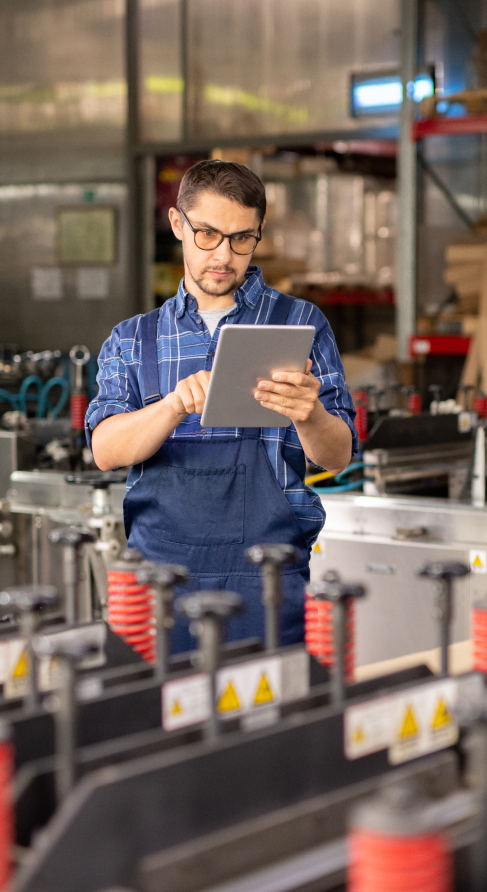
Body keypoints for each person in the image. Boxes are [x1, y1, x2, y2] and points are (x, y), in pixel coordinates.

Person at [86, 160, 356, 651]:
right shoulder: (133, 339)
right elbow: (105, 450)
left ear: (259, 233)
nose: (224, 255)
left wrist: (310, 414)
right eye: (208, 234)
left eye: (241, 238)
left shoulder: (300, 324)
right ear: (177, 224)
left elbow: (337, 455)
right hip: (160, 584)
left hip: (269, 580)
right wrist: (172, 406)